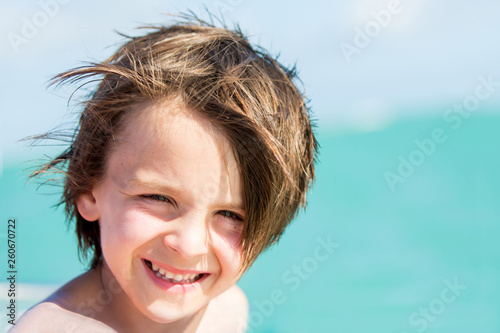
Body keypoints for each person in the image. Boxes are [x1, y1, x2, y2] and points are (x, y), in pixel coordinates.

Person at [13, 15, 318, 333]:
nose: (189, 245)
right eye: (158, 197)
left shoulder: (227, 310)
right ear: (89, 188)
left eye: (230, 214)